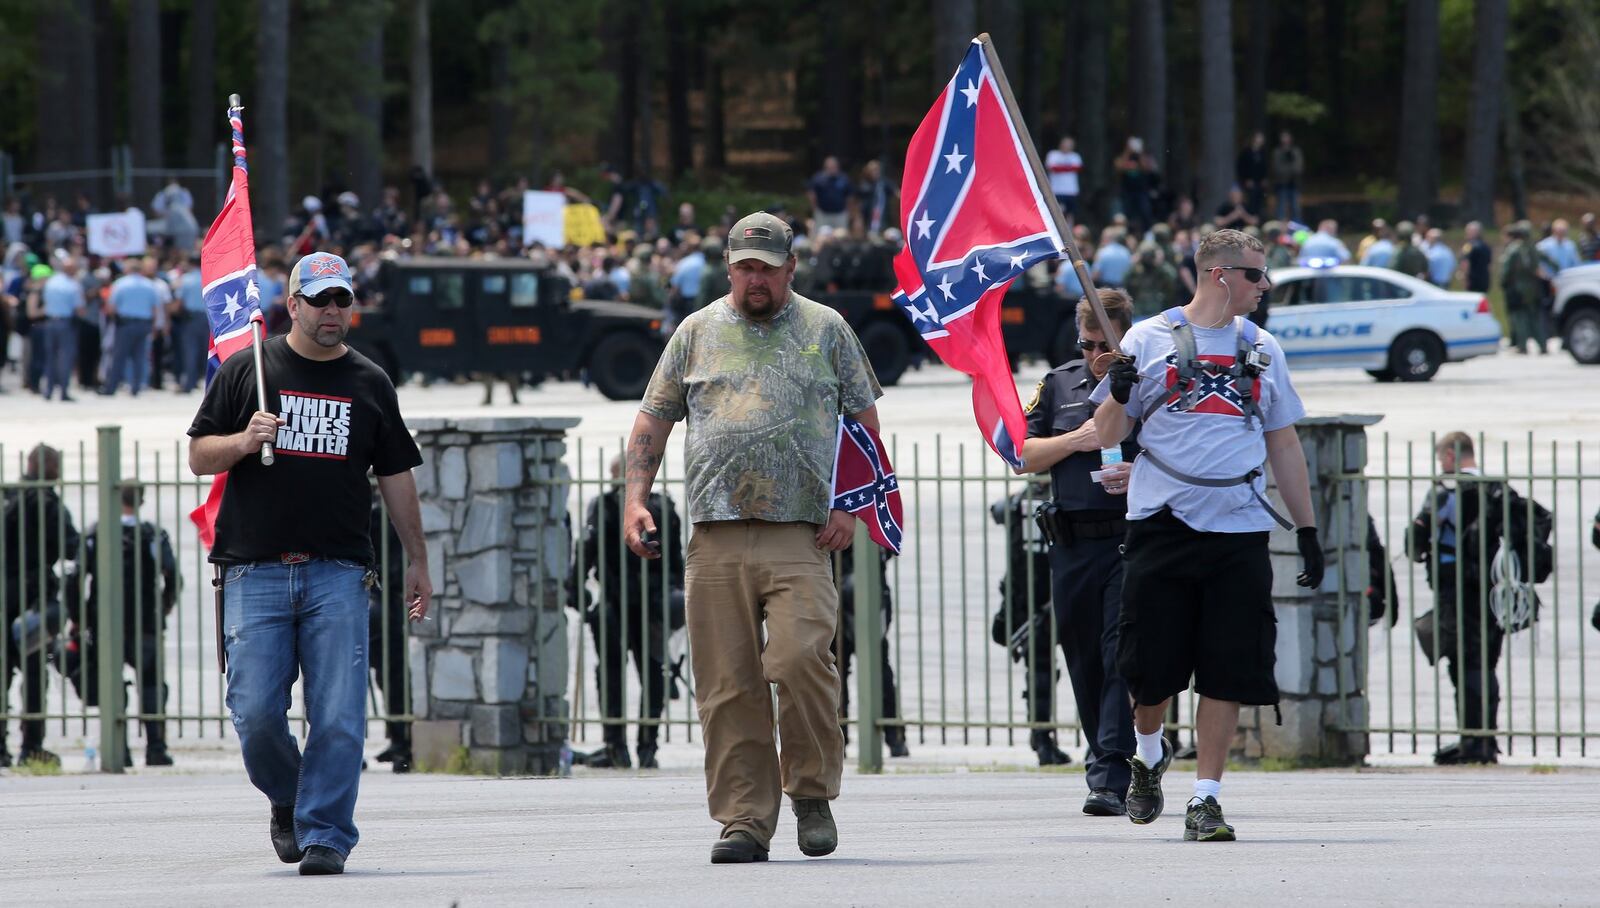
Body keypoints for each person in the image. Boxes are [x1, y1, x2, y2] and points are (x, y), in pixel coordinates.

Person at [623, 210, 882, 864]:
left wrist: (851, 505)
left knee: (801, 661)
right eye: (744, 266)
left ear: (791, 267)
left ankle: (812, 791)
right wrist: (635, 499)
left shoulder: (828, 330)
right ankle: (743, 820)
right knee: (727, 684)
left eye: (767, 267)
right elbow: (652, 421)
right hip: (714, 536)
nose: (754, 278)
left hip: (801, 533)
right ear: (729, 266)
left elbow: (865, 423)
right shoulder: (695, 332)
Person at [186, 250, 431, 876]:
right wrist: (244, 441)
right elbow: (199, 456)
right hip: (253, 569)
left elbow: (397, 476)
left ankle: (326, 834)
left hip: (339, 572)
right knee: (257, 713)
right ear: (290, 305)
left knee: (341, 715)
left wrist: (418, 560)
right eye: (318, 300)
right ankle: (290, 798)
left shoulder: (370, 382)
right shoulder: (250, 370)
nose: (331, 311)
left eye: (341, 300)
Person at [1093, 229, 1322, 842]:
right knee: (1150, 669)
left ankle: (1206, 797)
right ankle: (1147, 754)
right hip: (1161, 523)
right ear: (1220, 275)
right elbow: (1107, 429)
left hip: (1238, 527)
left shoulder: (1264, 347)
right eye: (1256, 275)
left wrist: (1307, 530)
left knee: (1228, 664)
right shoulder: (1144, 341)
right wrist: (1117, 389)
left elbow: (1284, 441)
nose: (1265, 285)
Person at [1018, 288, 1139, 816]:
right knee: (1084, 658)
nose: (1094, 358)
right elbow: (1022, 455)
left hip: (1128, 539)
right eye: (1086, 346)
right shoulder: (1057, 383)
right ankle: (1108, 757)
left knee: (1119, 655)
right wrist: (1077, 440)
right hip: (1070, 542)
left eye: (1103, 348)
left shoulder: (1144, 381)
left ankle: (1110, 772)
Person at [1405, 433, 1546, 765]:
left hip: (1456, 590)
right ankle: (1485, 739)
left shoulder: (1446, 492)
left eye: (1442, 459)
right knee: (1487, 663)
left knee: (1465, 663)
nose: (1441, 466)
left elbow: (1415, 543)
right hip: (1497, 591)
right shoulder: (1498, 490)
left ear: (1452, 456)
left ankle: (1473, 742)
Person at [572, 456, 686, 770]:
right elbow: (676, 561)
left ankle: (620, 745)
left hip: (628, 600)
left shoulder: (611, 504)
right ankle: (639, 746)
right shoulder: (658, 506)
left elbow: (586, 549)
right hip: (639, 601)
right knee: (648, 673)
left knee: (619, 673)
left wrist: (576, 590)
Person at [63, 483, 179, 767]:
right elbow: (172, 576)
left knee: (111, 686)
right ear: (141, 501)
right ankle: (156, 748)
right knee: (151, 685)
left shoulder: (96, 533)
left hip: (105, 624)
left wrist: (78, 618)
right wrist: (162, 607)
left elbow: (75, 579)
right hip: (145, 622)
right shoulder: (153, 535)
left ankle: (119, 750)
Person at [1, 444, 78, 768]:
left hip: (3, 595)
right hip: (32, 599)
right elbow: (71, 546)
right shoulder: (46, 503)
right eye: (57, 466)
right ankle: (31, 747)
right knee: (34, 677)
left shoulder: (8, 498)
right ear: (48, 468)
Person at [987, 478, 1072, 765]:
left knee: (1040, 666)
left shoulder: (1017, 501)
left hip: (1028, 593)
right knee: (1063, 666)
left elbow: (996, 511)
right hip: (1052, 589)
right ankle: (1046, 739)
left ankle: (1042, 737)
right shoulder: (1064, 493)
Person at [833, 546, 909, 759]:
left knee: (867, 666)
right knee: (863, 665)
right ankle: (892, 736)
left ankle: (891, 735)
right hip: (849, 581)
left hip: (857, 582)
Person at [365, 493, 412, 773]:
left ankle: (398, 741)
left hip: (369, 599)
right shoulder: (388, 513)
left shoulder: (368, 512)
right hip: (385, 602)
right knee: (392, 676)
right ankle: (400, 741)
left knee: (347, 680)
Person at [103, 256, 163, 396]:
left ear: (127, 269)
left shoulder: (120, 284)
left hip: (125, 324)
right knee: (140, 357)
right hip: (144, 324)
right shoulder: (149, 285)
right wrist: (153, 326)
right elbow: (155, 309)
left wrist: (115, 320)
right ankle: (136, 388)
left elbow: (111, 308)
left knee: (119, 357)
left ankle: (111, 387)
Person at [38, 254, 85, 401]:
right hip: (66, 323)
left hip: (50, 321)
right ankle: (63, 391)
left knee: (50, 357)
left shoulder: (51, 282)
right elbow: (80, 310)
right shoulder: (73, 285)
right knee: (65, 358)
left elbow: (45, 301)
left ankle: (49, 390)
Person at [1499, 222, 1546, 354]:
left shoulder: (1514, 249)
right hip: (1534, 288)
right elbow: (1549, 261)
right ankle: (1542, 345)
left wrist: (1503, 283)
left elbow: (1506, 270)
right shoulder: (1533, 248)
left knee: (1520, 317)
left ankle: (1522, 345)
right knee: (1534, 317)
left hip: (1518, 288)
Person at [169, 256, 210, 393]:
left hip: (191, 318)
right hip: (208, 318)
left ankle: (189, 383)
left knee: (190, 351)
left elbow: (179, 303)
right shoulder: (209, 277)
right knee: (206, 351)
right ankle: (205, 381)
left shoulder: (186, 280)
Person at [1125, 244, 1178, 318]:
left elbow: (1172, 277)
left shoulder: (1159, 270)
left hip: (1155, 307)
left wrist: (1160, 263)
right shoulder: (1136, 271)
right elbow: (1126, 282)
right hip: (1140, 308)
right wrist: (1133, 264)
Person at [808, 156, 853, 234]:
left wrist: (848, 211)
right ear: (825, 167)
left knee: (841, 236)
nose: (832, 168)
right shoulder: (818, 178)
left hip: (840, 214)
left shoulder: (844, 179)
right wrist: (815, 209)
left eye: (834, 166)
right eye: (830, 166)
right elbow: (812, 194)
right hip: (823, 214)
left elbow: (849, 197)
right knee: (821, 236)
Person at [1046, 137, 1083, 222]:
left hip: (1071, 191)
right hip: (1056, 190)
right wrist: (1068, 168)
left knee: (1070, 213)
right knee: (1057, 211)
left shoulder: (1075, 156)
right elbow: (1052, 168)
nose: (1067, 146)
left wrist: (1061, 168)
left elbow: (1077, 168)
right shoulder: (1053, 154)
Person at [1270, 131, 1304, 222]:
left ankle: (1297, 226)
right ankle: (1280, 227)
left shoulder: (1295, 151)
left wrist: (1287, 168)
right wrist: (1290, 168)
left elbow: (1298, 168)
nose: (1285, 140)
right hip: (1282, 184)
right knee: (1281, 208)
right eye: (1283, 137)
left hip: (1294, 184)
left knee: (1295, 208)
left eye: (1287, 137)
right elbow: (1277, 169)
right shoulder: (1277, 152)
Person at [1235, 132, 1268, 216]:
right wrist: (1246, 179)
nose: (1260, 140)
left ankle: (1258, 218)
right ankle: (1250, 217)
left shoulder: (1263, 153)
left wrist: (1264, 178)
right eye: (1258, 138)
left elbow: (1265, 167)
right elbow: (1241, 167)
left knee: (1260, 200)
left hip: (1259, 182)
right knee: (1250, 200)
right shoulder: (1246, 152)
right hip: (1249, 182)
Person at [1458, 221, 1492, 294]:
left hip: (1472, 281)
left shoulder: (1468, 246)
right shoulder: (1486, 246)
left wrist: (1464, 279)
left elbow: (1465, 263)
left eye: (1468, 231)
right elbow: (1489, 265)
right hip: (1484, 280)